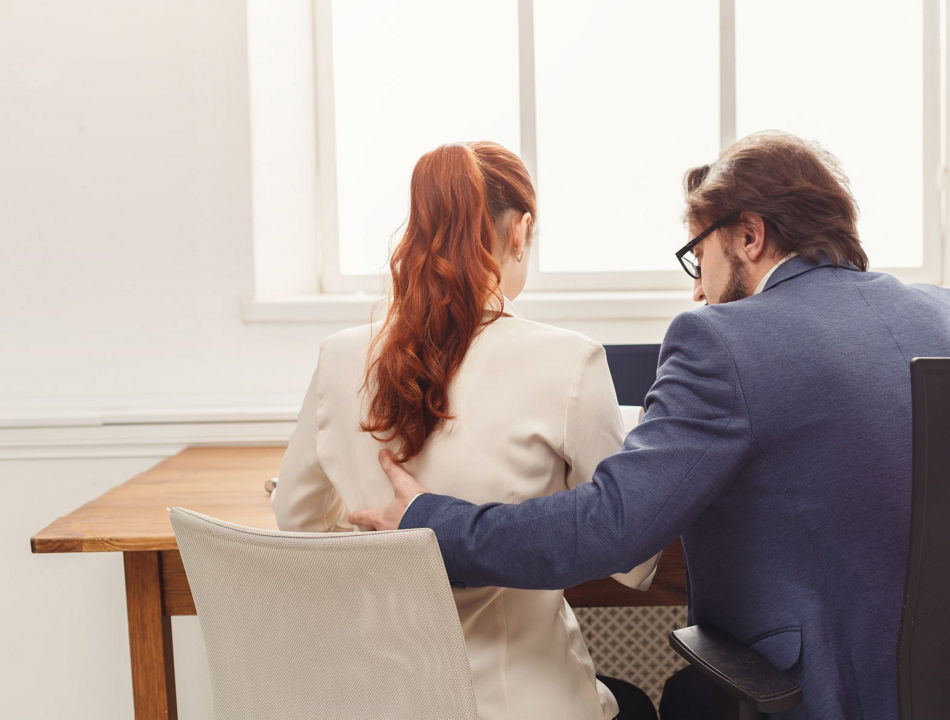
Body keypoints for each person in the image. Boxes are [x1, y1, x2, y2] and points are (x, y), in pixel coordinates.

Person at [350, 131, 950, 720]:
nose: (697, 291)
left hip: (813, 693)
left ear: (748, 236)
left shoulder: (725, 340)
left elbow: (614, 529)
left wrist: (435, 523)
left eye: (698, 255)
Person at [273, 141, 660, 720]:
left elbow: (295, 521)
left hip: (381, 701)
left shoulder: (339, 357)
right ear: (520, 231)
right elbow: (634, 565)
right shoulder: (571, 362)